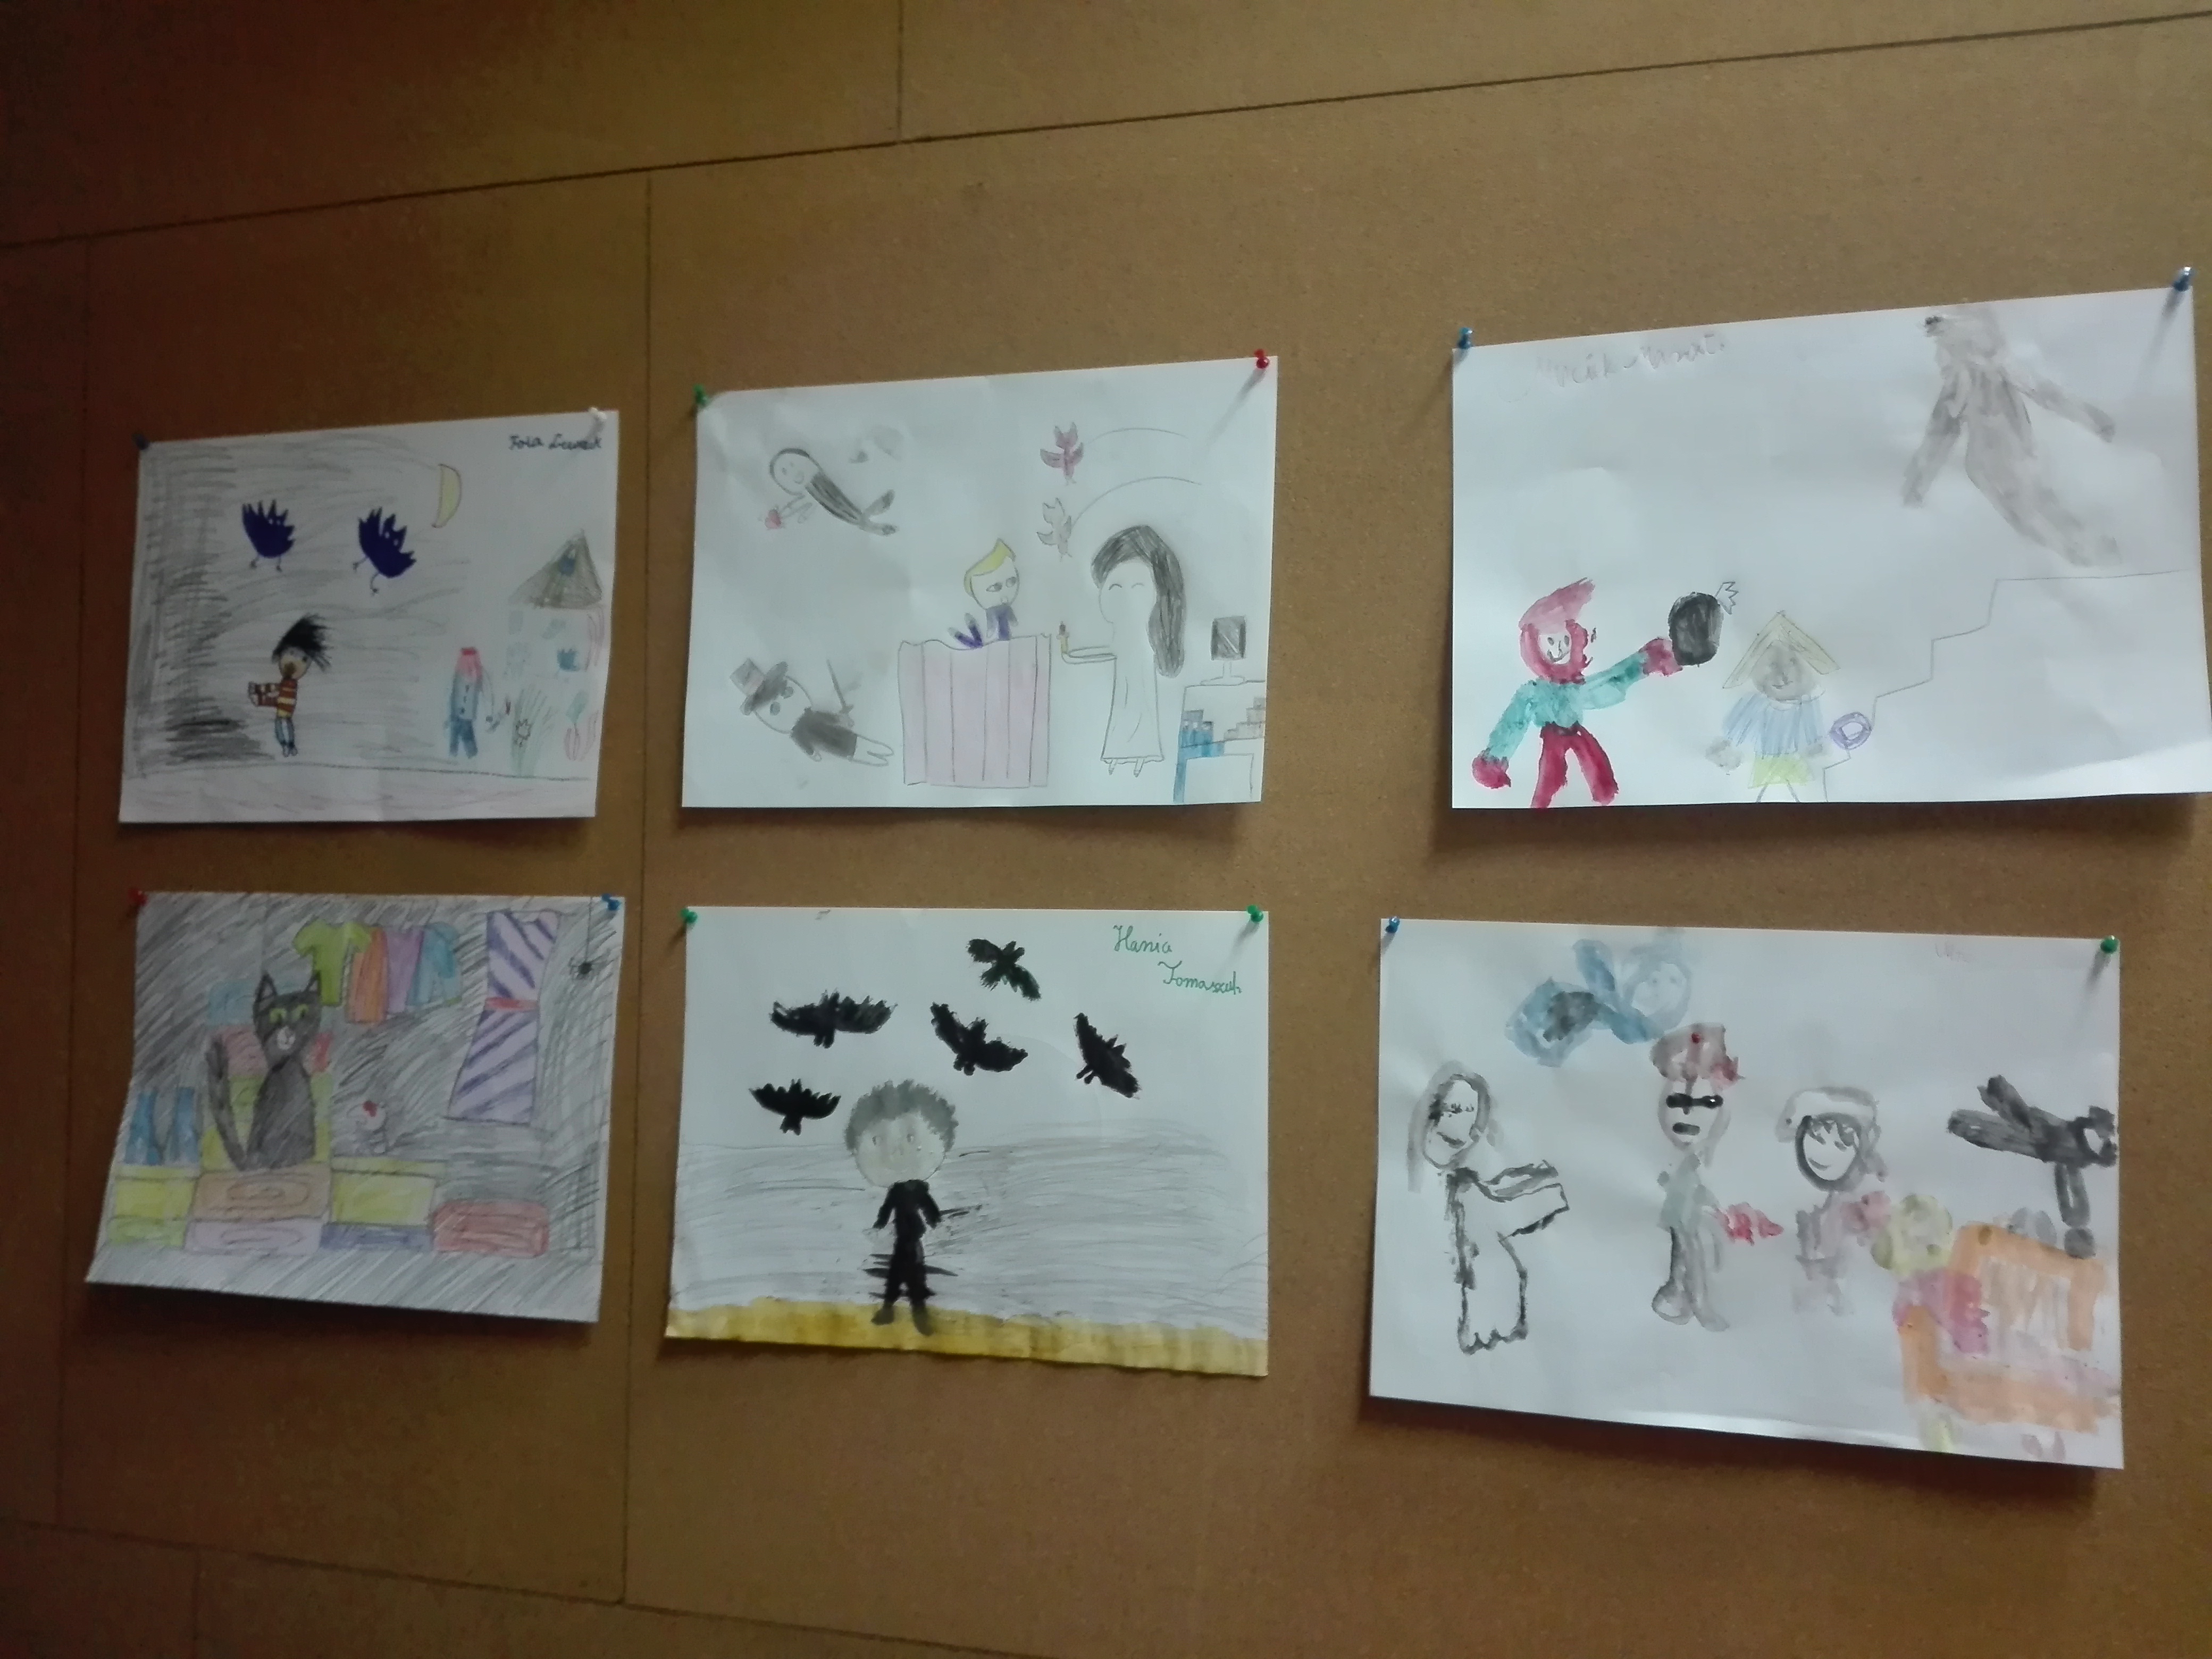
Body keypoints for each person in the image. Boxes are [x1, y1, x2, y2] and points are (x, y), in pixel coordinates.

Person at [1470, 580, 1679, 808]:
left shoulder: (1576, 686)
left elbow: (1609, 682)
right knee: (1546, 790)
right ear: (1534, 646)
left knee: (1600, 783)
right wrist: (1496, 757)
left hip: (1579, 735)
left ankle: (1601, 795)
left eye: (1565, 639)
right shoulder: (1534, 692)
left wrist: (1644, 663)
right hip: (1553, 742)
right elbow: (1514, 722)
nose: (1559, 648)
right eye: (1550, 641)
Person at [1407, 1065, 1568, 1353]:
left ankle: (1494, 1326)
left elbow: (1499, 1193)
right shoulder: (1433, 1166)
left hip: (1482, 1263)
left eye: (1470, 1112)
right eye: (1454, 1109)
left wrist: (1543, 1184)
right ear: (1436, 1111)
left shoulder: (1472, 1169)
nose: (1461, 1119)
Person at [1648, 1023, 1770, 1330]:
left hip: (1688, 1211)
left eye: (1709, 1103)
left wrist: (1707, 1198)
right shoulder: (1684, 1163)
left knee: (1689, 1249)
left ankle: (1690, 1296)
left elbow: (1696, 1187)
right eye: (1676, 1103)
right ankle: (1687, 1295)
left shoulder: (1705, 1163)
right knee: (1685, 1248)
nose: (1688, 1114)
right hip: (1681, 1210)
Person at [1059, 524, 1186, 776]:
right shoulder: (1122, 638)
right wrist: (1067, 651)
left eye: (1138, 587)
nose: (1124, 597)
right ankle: (1120, 755)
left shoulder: (1150, 638)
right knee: (1122, 717)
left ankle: (1142, 754)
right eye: (1115, 587)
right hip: (1124, 694)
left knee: (1141, 715)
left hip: (1140, 694)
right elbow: (1102, 652)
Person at [846, 1081, 957, 1334]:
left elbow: (929, 1208)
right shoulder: (897, 1190)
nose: (897, 1151)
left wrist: (938, 1224)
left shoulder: (918, 1189)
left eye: (910, 1138)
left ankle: (916, 1315)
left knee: (913, 1276)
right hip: (903, 1239)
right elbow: (887, 1209)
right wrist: (878, 1226)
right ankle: (892, 1311)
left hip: (912, 1239)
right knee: (897, 1276)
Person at [1776, 1086, 1889, 1313]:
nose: (1823, 1152)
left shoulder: (1857, 1199)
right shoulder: (1801, 1196)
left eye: (1841, 1145)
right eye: (1817, 1138)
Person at [247, 615, 330, 757]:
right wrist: (259, 691)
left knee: (282, 727)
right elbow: (276, 690)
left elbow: (278, 694)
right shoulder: (288, 683)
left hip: (284, 711)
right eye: (291, 653)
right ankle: (289, 746)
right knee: (283, 727)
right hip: (284, 711)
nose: (294, 662)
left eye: (304, 659)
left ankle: (288, 745)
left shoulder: (289, 684)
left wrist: (261, 697)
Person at [952, 539, 1021, 648]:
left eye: (1012, 582)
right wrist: (990, 631)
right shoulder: (992, 611)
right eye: (995, 588)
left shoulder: (1005, 608)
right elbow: (992, 625)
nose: (1004, 595)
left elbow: (1011, 619)